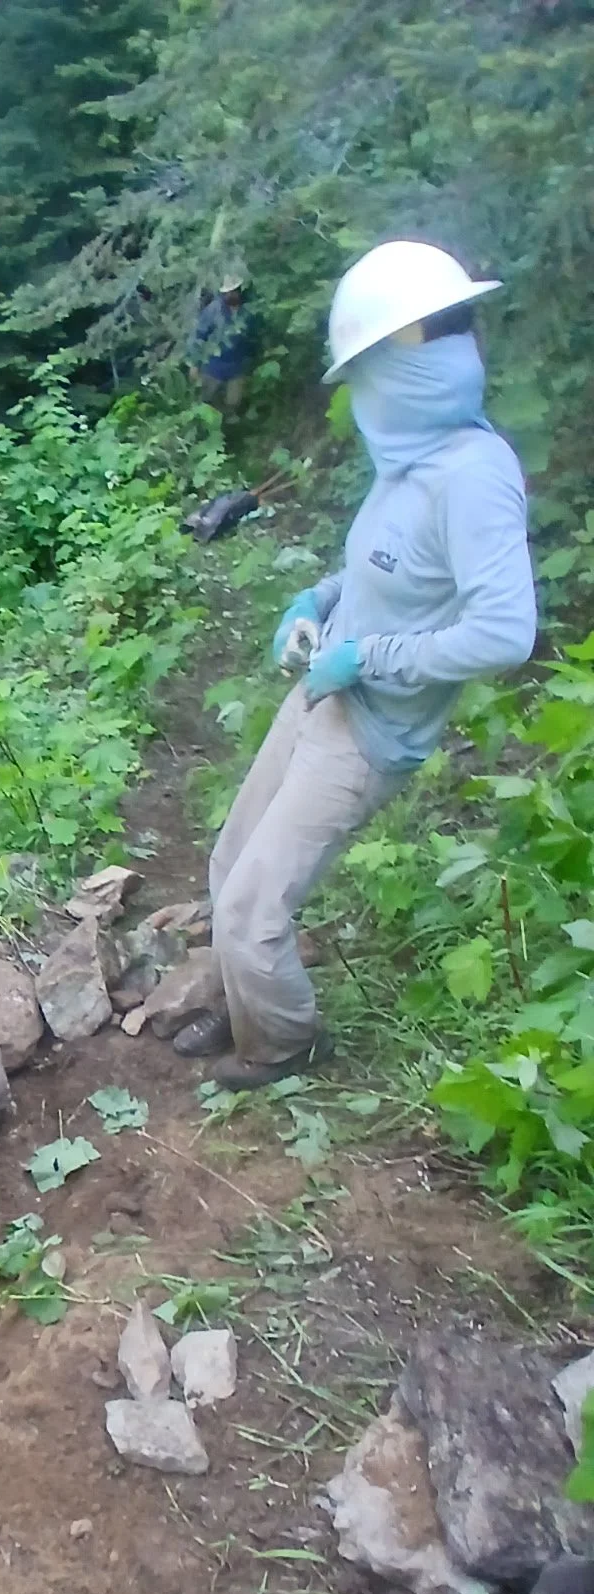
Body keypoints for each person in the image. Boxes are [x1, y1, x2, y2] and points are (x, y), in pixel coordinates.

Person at [174, 240, 537, 1090]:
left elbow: (505, 632)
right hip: (324, 692)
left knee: (256, 907)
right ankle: (243, 1003)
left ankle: (285, 1043)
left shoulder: (474, 476)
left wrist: (367, 656)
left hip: (372, 728)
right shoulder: (408, 456)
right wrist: (319, 601)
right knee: (229, 865)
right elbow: (384, 564)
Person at [190, 274, 257, 413]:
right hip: (214, 365)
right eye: (228, 292)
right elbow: (199, 336)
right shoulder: (213, 310)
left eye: (234, 291)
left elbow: (254, 336)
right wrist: (195, 364)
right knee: (206, 402)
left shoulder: (247, 310)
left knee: (234, 403)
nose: (231, 295)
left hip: (237, 366)